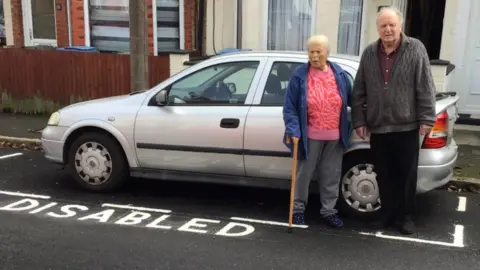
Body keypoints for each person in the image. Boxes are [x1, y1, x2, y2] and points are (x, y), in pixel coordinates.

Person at [351, 6, 436, 235]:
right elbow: (359, 90)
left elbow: (426, 86)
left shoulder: (415, 48)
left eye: (392, 25)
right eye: (383, 26)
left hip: (407, 125)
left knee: (406, 175)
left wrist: (427, 117)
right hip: (379, 127)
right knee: (384, 174)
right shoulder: (370, 53)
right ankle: (386, 215)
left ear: (400, 26)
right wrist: (359, 120)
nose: (388, 29)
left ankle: (406, 217)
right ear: (378, 29)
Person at [282, 34, 352, 228]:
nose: (313, 56)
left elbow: (353, 99)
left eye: (318, 51)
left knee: (331, 174)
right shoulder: (299, 75)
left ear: (327, 53)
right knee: (304, 174)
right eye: (310, 51)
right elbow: (290, 107)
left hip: (335, 136)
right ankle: (297, 209)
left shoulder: (339, 74)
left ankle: (328, 211)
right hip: (310, 135)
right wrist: (294, 129)